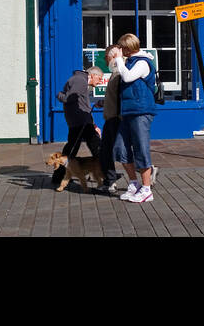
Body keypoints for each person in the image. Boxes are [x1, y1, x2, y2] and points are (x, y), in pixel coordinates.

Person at [110, 32, 157, 204]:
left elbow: (128, 76)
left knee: (140, 149)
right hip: (127, 111)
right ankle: (134, 184)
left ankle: (146, 190)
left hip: (141, 111)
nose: (119, 50)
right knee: (120, 148)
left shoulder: (143, 62)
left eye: (121, 47)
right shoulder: (128, 62)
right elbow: (116, 72)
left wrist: (120, 60)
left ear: (128, 49)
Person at [52, 64, 102, 187]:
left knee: (72, 148)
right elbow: (69, 98)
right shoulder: (81, 81)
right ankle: (107, 175)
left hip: (80, 121)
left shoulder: (80, 80)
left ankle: (58, 176)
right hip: (80, 122)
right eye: (99, 78)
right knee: (95, 148)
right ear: (93, 75)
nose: (100, 82)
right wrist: (59, 94)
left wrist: (93, 124)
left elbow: (82, 105)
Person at [98, 45, 123, 190]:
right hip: (111, 116)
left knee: (113, 150)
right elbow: (114, 95)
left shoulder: (119, 72)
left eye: (106, 57)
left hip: (115, 117)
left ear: (113, 57)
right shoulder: (115, 72)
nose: (105, 60)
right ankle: (109, 180)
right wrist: (104, 102)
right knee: (107, 150)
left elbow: (121, 96)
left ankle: (110, 180)